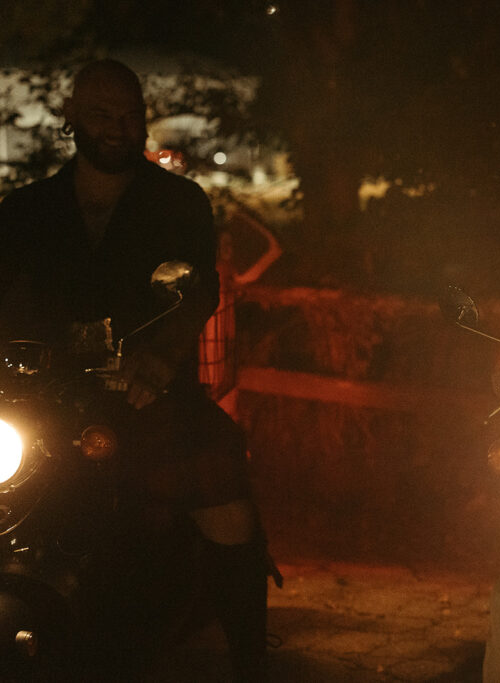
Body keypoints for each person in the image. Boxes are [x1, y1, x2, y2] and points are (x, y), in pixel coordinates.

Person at [0, 59, 269, 681]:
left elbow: (197, 292)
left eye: (129, 115)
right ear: (71, 116)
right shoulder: (26, 211)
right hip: (42, 402)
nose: (117, 128)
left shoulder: (177, 202)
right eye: (101, 114)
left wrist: (163, 359)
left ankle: (251, 658)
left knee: (224, 496)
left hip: (150, 396)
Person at [199, 203, 282, 404]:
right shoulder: (222, 277)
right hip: (212, 369)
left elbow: (272, 249)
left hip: (218, 372)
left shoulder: (236, 275)